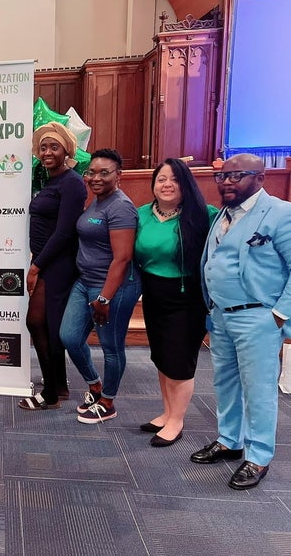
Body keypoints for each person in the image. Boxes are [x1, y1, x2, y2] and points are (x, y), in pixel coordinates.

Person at [190, 153, 291, 490]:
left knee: (259, 390)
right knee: (225, 383)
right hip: (220, 316)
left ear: (260, 178)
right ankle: (229, 440)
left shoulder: (279, 213)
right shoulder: (223, 214)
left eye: (238, 176)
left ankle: (258, 456)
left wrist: (278, 315)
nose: (228, 182)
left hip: (257, 318)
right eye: (223, 177)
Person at [134, 158, 217, 446]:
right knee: (162, 356)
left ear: (186, 184)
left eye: (175, 179)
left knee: (180, 361)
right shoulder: (142, 214)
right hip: (154, 294)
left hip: (188, 297)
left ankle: (177, 420)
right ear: (153, 184)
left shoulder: (203, 215)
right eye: (161, 179)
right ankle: (167, 412)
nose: (167, 184)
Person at [60, 148, 141, 423]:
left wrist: (105, 299)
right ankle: (94, 385)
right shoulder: (96, 201)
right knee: (69, 337)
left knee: (111, 347)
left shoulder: (121, 206)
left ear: (119, 175)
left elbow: (123, 257)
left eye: (104, 173)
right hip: (85, 283)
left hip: (113, 288)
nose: (96, 178)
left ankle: (108, 401)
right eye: (91, 172)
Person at [18, 122, 87, 411]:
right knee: (47, 323)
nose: (47, 152)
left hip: (57, 263)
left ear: (66, 151)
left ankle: (50, 394)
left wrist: (36, 266)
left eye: (54, 147)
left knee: (36, 321)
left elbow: (64, 231)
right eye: (44, 147)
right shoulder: (52, 181)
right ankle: (59, 385)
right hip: (48, 261)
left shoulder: (72, 182)